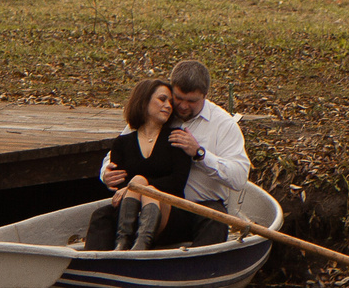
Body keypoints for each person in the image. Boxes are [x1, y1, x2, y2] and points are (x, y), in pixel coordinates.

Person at [96, 57, 251, 247]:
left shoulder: (223, 124)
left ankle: (196, 270)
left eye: (191, 101)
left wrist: (200, 154)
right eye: (178, 98)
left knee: (215, 221)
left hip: (199, 206)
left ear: (205, 95)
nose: (183, 106)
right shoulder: (159, 113)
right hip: (154, 203)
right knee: (102, 216)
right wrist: (106, 173)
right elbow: (118, 150)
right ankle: (93, 266)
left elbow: (239, 177)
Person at [88, 80, 191, 251]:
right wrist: (133, 186)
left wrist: (142, 182)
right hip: (131, 209)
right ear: (144, 102)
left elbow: (177, 182)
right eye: (162, 99)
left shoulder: (176, 137)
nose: (168, 106)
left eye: (170, 102)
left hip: (170, 212)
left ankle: (141, 244)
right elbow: (119, 183)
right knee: (131, 193)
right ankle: (123, 242)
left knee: (148, 191)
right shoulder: (122, 143)